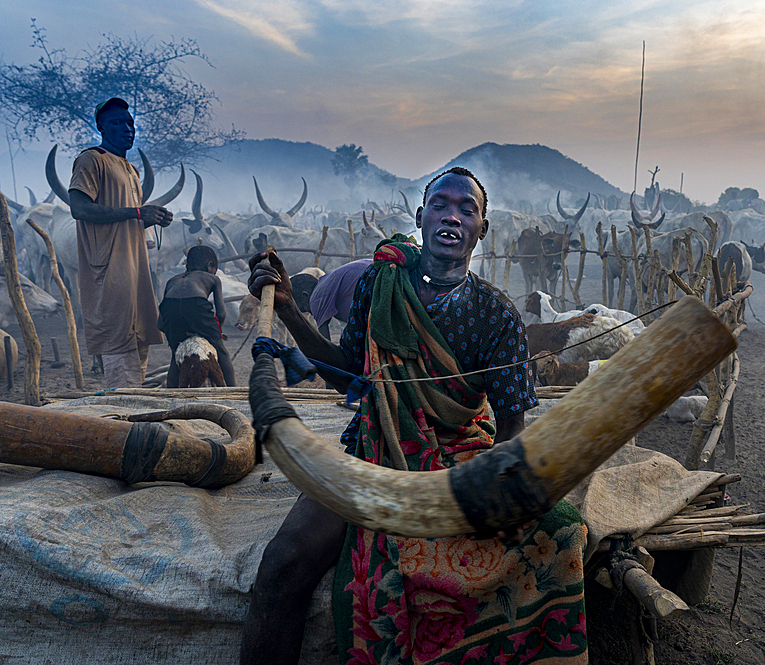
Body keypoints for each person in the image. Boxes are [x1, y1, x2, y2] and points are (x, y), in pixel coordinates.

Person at [241, 168, 588, 664]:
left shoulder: (497, 314)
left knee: (562, 529)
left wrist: (493, 490)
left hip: (461, 459)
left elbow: (511, 428)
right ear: (422, 217)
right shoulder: (379, 287)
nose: (452, 215)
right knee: (282, 563)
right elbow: (350, 375)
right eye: (441, 204)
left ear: (481, 229)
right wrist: (292, 314)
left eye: (467, 209)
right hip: (374, 450)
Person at [67, 97, 173, 387]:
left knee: (139, 338)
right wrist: (137, 212)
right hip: (109, 268)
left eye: (130, 123)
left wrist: (148, 218)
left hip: (134, 268)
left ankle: (133, 402)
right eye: (117, 123)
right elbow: (79, 208)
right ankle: (123, 412)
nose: (126, 129)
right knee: (117, 338)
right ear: (101, 127)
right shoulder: (92, 160)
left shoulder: (131, 169)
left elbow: (126, 217)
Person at [157, 245, 235, 387]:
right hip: (196, 305)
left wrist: (175, 335)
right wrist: (215, 334)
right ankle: (233, 389)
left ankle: (170, 394)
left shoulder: (172, 280)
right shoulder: (213, 279)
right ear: (209, 265)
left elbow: (161, 321)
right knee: (222, 352)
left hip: (170, 309)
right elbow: (221, 313)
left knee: (176, 355)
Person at [308, 258, 373, 338]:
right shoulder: (326, 281)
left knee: (352, 341)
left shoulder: (315, 298)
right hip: (375, 268)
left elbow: (324, 341)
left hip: (369, 277)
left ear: (305, 295)